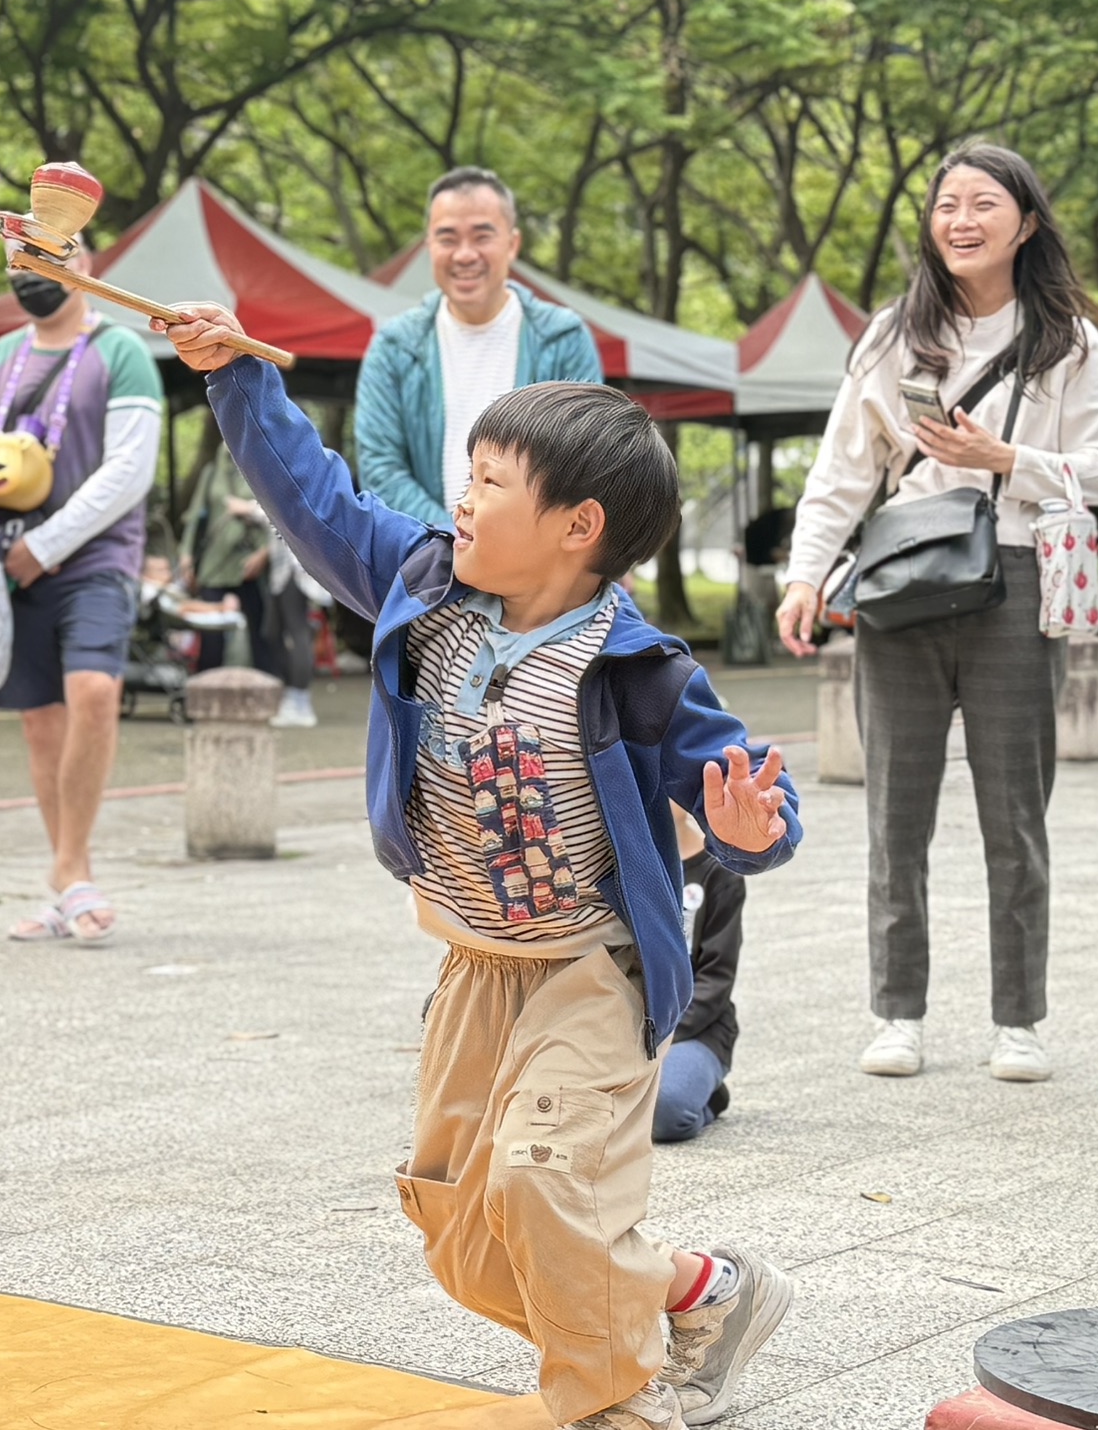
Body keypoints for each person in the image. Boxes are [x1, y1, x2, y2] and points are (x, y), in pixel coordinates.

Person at [163, 302, 799, 1430]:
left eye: (491, 480)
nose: (462, 498)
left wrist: (752, 829)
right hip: (471, 961)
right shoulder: (422, 586)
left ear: (576, 524)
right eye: (470, 473)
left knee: (543, 1177)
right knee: (465, 1232)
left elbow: (756, 799)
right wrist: (237, 379)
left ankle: (609, 1400)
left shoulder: (637, 667)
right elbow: (314, 500)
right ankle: (701, 1290)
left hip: (589, 971)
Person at [776, 143, 1098, 1085]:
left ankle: (1019, 1019)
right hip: (899, 582)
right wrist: (805, 575)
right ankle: (898, 1012)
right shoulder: (896, 333)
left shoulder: (1068, 338)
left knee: (1014, 815)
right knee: (897, 811)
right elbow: (841, 469)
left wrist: (1006, 459)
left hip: (1014, 584)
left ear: (1025, 222)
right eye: (947, 205)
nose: (962, 220)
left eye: (984, 203)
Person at [0, 250, 163, 944]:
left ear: (87, 263)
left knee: (95, 692)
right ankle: (70, 878)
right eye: (21, 257)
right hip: (9, 562)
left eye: (52, 256)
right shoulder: (3, 355)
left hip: (94, 557)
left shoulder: (121, 351)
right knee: (40, 721)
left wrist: (47, 546)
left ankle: (69, 867)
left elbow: (128, 470)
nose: (33, 272)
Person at [355, 167, 603, 529]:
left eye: (482, 236)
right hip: (426, 561)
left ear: (512, 243)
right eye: (448, 238)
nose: (465, 254)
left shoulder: (563, 338)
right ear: (429, 246)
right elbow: (380, 466)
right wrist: (453, 538)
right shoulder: (393, 347)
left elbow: (586, 459)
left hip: (536, 564)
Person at [180, 440, 316, 726]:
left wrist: (261, 551)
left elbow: (286, 510)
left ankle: (285, 699)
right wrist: (186, 554)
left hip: (265, 566)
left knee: (273, 633)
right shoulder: (212, 471)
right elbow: (196, 517)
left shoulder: (266, 463)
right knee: (225, 638)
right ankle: (204, 702)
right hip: (219, 565)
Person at [655, 811, 742, 1145]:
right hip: (621, 1031)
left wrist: (659, 1036)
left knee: (666, 1110)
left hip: (695, 1031)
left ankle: (707, 1096)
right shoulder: (621, 863)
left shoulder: (719, 870)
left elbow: (716, 979)